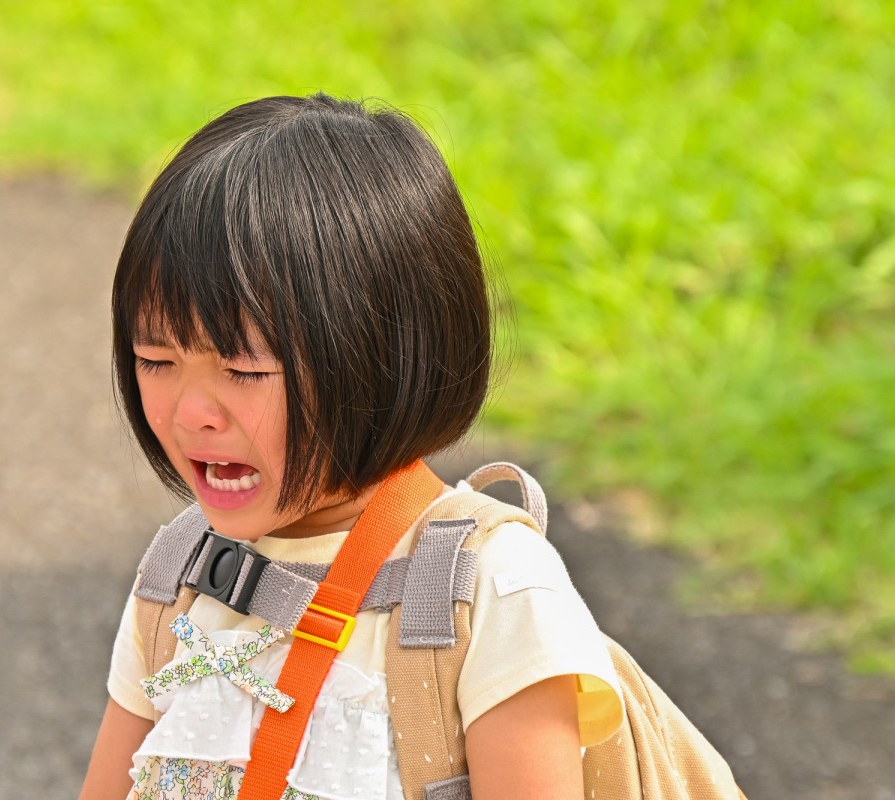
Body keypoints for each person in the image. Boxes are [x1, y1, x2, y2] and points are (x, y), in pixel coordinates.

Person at [79, 93, 624, 800]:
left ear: (385, 356)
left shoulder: (488, 591)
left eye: (243, 370)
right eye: (155, 361)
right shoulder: (181, 576)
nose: (191, 413)